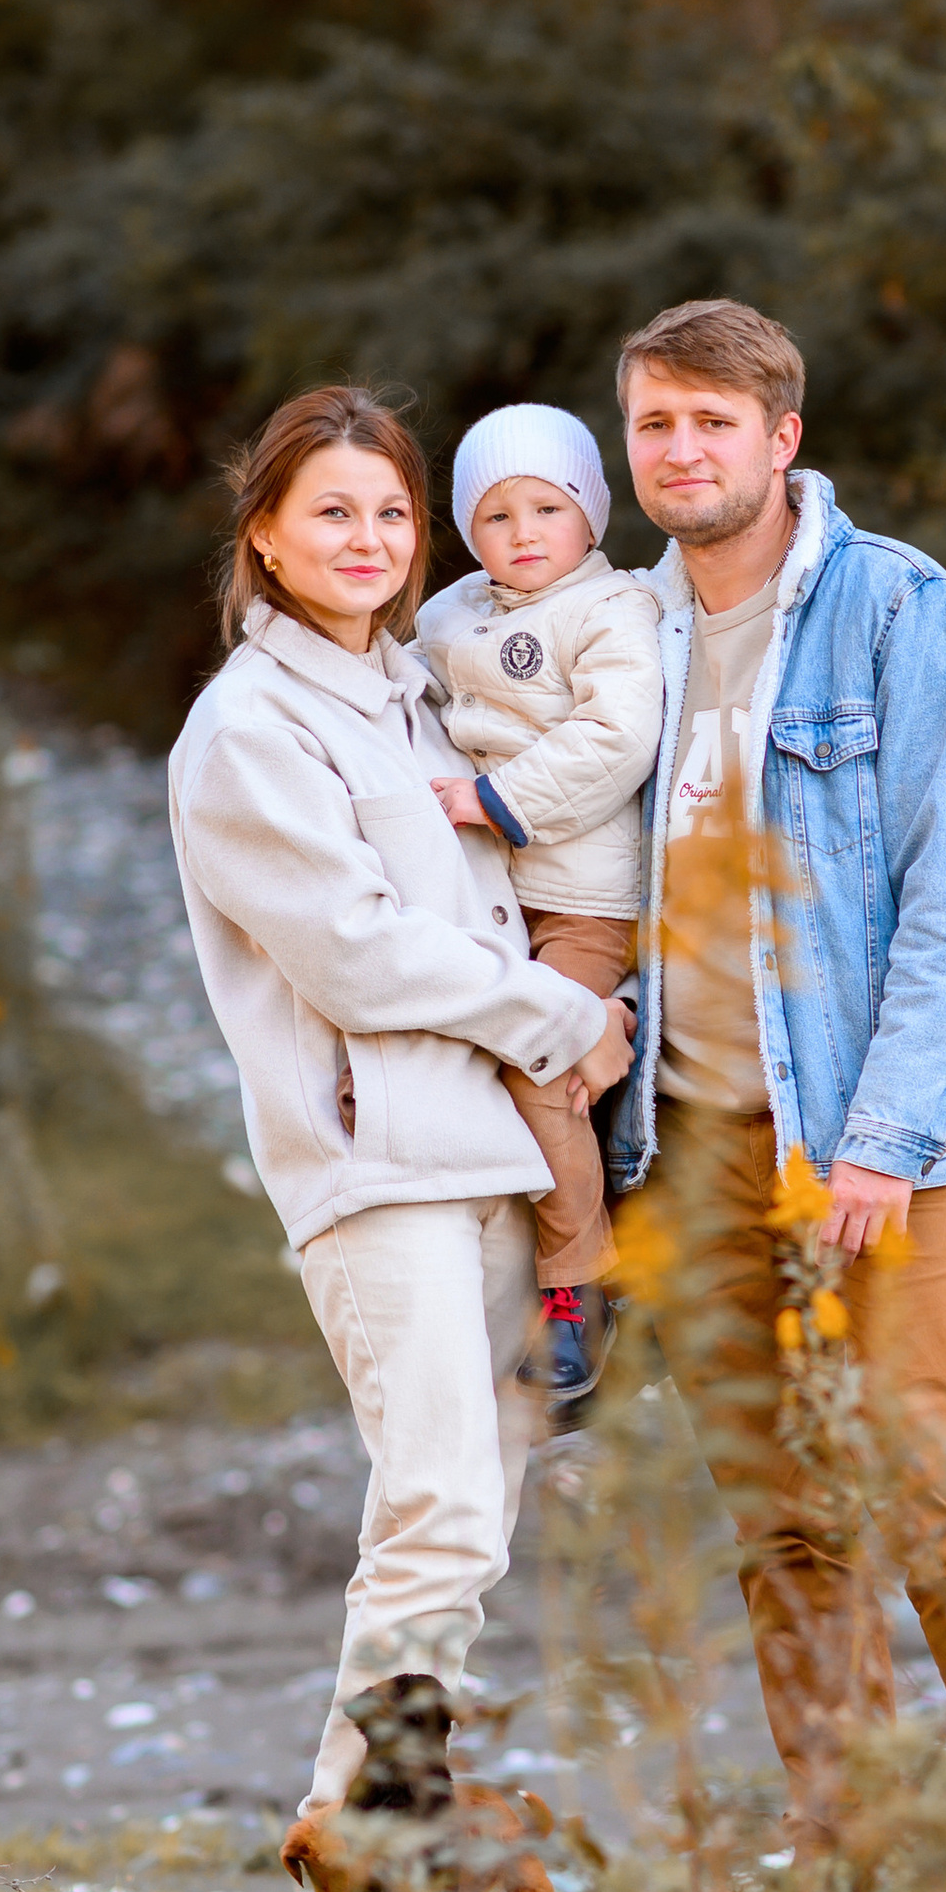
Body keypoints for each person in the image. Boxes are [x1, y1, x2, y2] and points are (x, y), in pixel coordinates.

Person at [608, 296, 946, 1830]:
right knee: (786, 1521)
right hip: (687, 1145)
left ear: (782, 439)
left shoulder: (898, 609)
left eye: (712, 422)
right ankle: (853, 1844)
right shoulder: (623, 629)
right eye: (656, 423)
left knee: (941, 1496)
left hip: (876, 1143)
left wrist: (882, 1135)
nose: (683, 450)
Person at [166, 383, 632, 1888]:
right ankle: (387, 1819)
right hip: (380, 1165)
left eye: (390, 511)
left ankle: (364, 1823)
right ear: (265, 536)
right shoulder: (249, 728)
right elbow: (356, 952)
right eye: (332, 512)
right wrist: (558, 1017)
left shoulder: (416, 690)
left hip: (488, 1147)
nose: (368, 538)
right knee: (436, 1496)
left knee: (470, 1509)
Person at [416, 402, 661, 1411]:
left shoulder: (610, 611)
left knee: (538, 1062)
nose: (522, 535)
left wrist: (491, 798)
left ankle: (580, 1281)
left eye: (545, 509)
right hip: (486, 899)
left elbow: (617, 735)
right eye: (496, 516)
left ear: (591, 515)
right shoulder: (446, 616)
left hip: (581, 903)